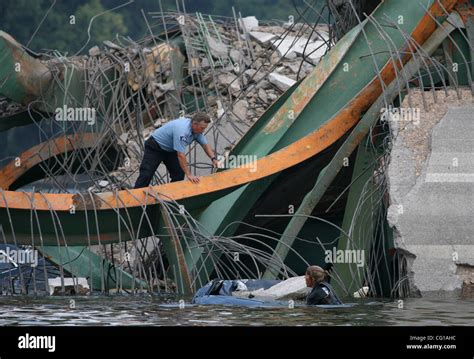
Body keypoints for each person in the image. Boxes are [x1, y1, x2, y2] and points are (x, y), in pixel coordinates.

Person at [134, 112, 219, 188]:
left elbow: (205, 145)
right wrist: (189, 175)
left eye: (204, 128)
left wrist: (213, 159)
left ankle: (171, 195)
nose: (203, 131)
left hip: (170, 150)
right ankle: (135, 199)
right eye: (202, 128)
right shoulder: (182, 131)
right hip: (155, 146)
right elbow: (180, 155)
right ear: (194, 124)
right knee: (146, 174)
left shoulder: (197, 131)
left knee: (179, 174)